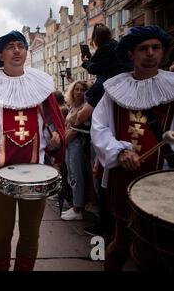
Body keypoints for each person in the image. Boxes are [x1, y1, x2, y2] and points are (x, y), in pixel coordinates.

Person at [0, 30, 65, 271]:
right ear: (0, 55)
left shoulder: (40, 85)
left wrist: (55, 138)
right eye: (10, 46)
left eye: (21, 45)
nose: (17, 50)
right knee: (3, 230)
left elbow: (53, 122)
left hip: (36, 171)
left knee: (31, 232)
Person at [91, 25, 174, 271]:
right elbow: (99, 127)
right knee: (122, 240)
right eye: (143, 49)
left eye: (156, 48)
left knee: (153, 248)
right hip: (122, 177)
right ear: (131, 54)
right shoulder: (113, 89)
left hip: (163, 178)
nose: (150, 53)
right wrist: (120, 151)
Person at [77, 23, 131, 236]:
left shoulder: (105, 80)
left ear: (95, 40)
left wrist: (86, 61)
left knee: (102, 178)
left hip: (109, 140)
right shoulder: (117, 56)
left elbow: (85, 114)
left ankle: (106, 225)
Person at [60, 81, 89, 221]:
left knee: (77, 175)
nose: (79, 92)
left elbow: (76, 131)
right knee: (71, 175)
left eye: (82, 90)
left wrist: (63, 143)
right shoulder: (72, 106)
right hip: (69, 144)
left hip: (76, 144)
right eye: (76, 89)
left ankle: (78, 208)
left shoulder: (84, 107)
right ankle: (75, 206)